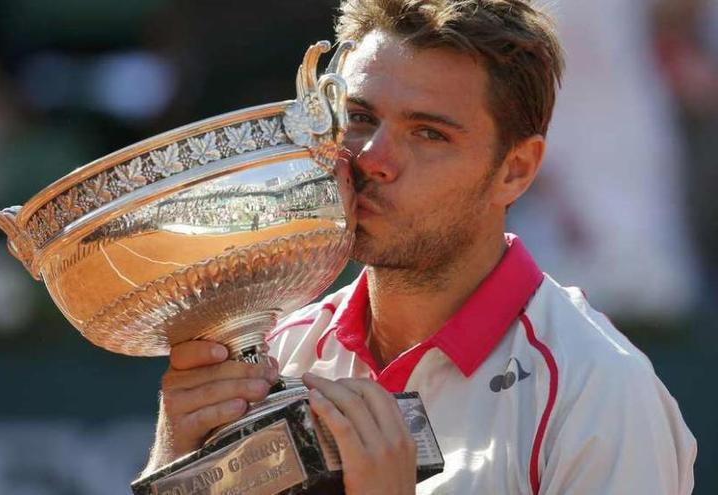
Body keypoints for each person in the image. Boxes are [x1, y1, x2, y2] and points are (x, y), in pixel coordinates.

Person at [142, 1, 697, 493]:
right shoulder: (278, 352)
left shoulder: (602, 393)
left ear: (516, 170)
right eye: (359, 119)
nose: (373, 157)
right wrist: (175, 463)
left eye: (429, 133)